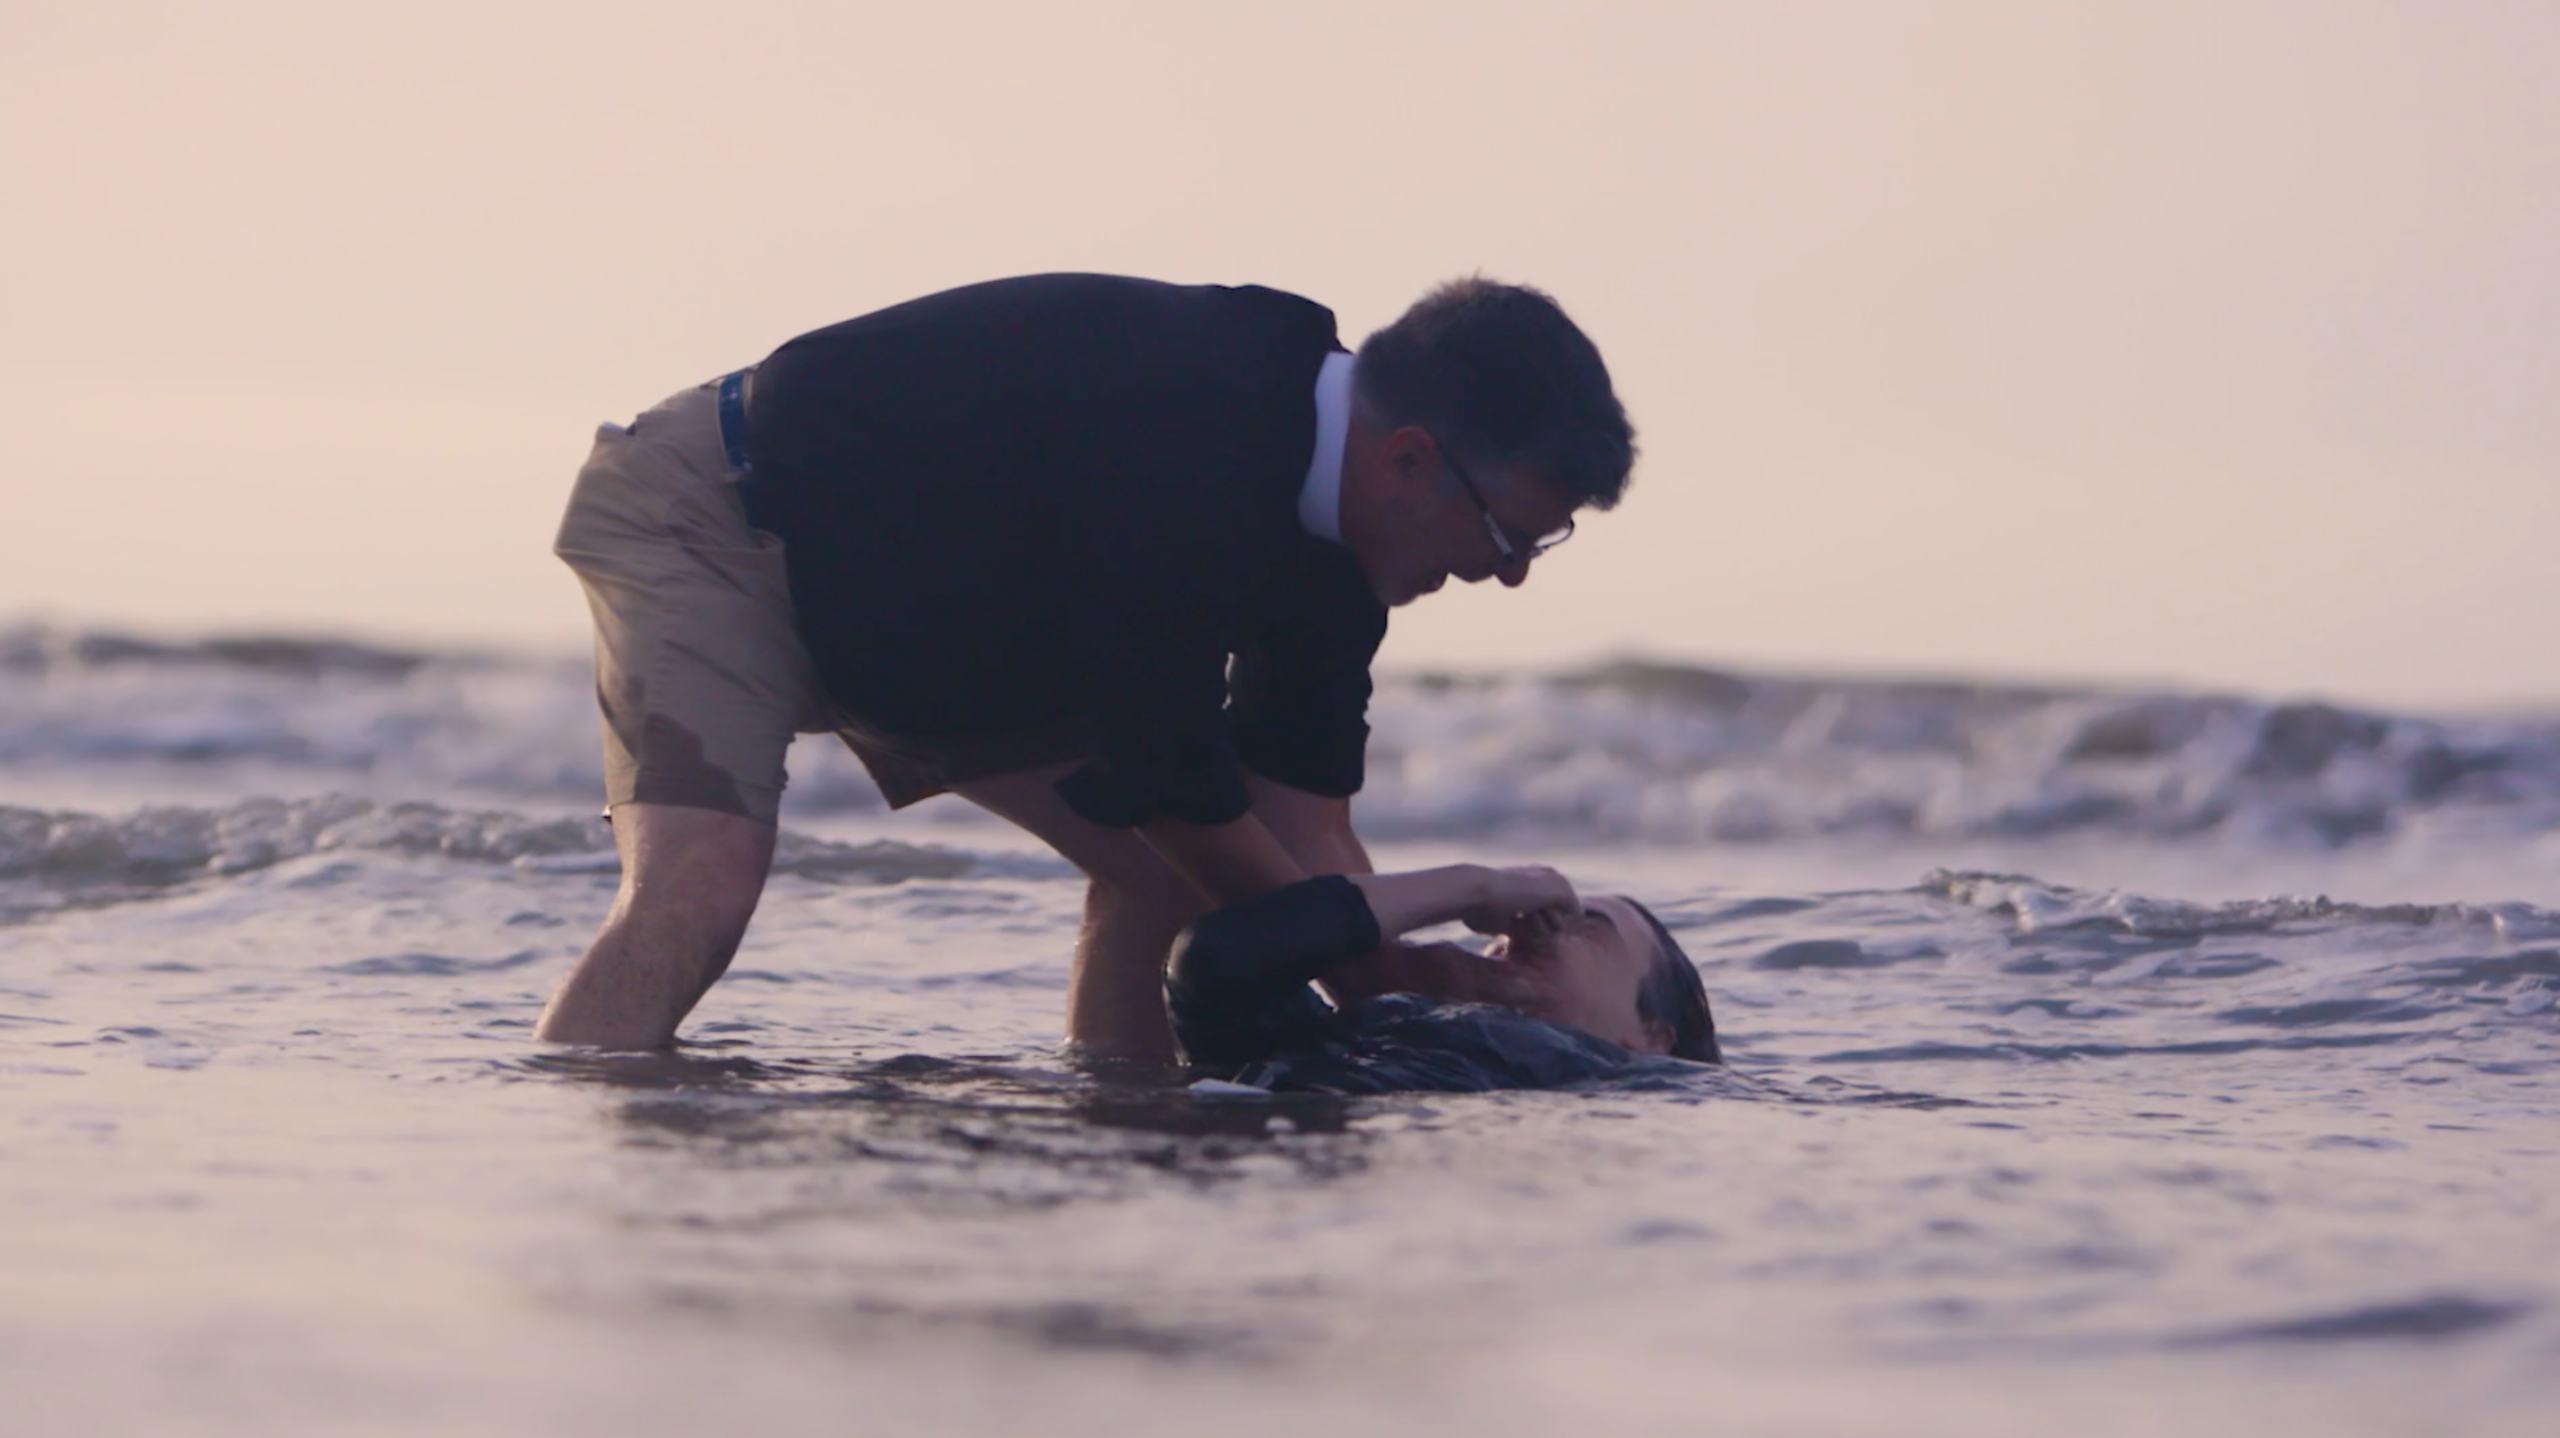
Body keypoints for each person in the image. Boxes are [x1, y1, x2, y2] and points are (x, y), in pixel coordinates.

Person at [537, 273, 1637, 1060]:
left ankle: (1123, 1146)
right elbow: (1165, 770)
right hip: (733, 517)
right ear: (1406, 461)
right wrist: (1396, 952)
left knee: (1170, 877)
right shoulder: (1194, 430)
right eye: (1505, 541)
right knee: (704, 879)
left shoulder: (1339, 566)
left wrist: (1426, 992)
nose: (1508, 582)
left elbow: (1306, 837)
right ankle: (571, 1137)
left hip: (948, 628)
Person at [1167, 865, 1720, 1093]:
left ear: (1650, 1038)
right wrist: (1476, 889)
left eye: (1580, 925)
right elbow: (1217, 957)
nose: (1518, 930)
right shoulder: (1364, 1029)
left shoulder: (1602, 1075)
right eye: (1501, 931)